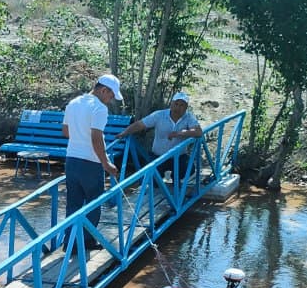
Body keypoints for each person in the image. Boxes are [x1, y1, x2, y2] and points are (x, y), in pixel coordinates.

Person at [62, 74, 123, 249]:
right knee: (93, 203)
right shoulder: (99, 108)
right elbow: (96, 138)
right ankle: (86, 241)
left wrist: (79, 137)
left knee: (73, 203)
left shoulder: (73, 103)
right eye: (111, 96)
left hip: (71, 160)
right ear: (104, 90)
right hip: (90, 163)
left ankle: (69, 243)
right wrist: (106, 163)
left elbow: (65, 131)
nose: (110, 100)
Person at [116, 91, 202, 168]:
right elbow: (140, 124)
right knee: (150, 179)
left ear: (186, 107)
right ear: (171, 104)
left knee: (189, 171)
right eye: (176, 104)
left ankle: (178, 182)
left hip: (179, 157)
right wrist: (124, 132)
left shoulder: (189, 117)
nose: (178, 107)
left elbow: (198, 132)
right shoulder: (159, 115)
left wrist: (180, 133)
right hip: (158, 156)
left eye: (182, 105)